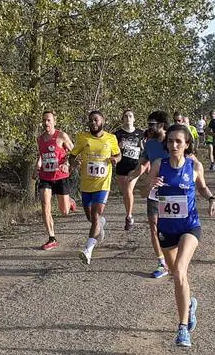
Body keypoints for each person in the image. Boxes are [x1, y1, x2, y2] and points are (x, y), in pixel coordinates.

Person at [148, 124, 215, 347]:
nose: (174, 145)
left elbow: (202, 188)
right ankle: (189, 305)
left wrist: (212, 199)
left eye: (178, 141)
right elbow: (145, 192)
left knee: (180, 270)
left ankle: (182, 329)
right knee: (175, 275)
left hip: (190, 226)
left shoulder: (194, 165)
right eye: (170, 141)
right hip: (166, 229)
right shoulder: (159, 165)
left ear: (187, 144)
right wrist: (151, 185)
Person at [70, 110, 121, 265]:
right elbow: (72, 155)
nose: (93, 123)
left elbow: (119, 154)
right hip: (86, 184)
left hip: (102, 184)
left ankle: (88, 250)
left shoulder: (111, 138)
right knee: (91, 218)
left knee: (96, 215)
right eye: (91, 120)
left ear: (102, 121)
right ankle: (100, 225)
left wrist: (115, 159)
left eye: (96, 120)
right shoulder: (82, 137)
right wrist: (74, 163)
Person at [35, 110, 75, 250]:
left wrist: (67, 164)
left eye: (49, 120)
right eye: (44, 120)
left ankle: (69, 201)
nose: (46, 123)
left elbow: (74, 153)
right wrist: (37, 167)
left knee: (64, 211)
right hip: (46, 177)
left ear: (54, 122)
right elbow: (42, 156)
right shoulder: (40, 139)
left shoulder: (61, 136)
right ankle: (52, 238)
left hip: (61, 177)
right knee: (45, 205)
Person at [140, 111, 171, 279]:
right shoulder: (149, 144)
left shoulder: (172, 142)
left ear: (161, 125)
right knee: (154, 226)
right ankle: (162, 263)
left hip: (173, 192)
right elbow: (142, 164)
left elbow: (188, 160)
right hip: (154, 190)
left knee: (172, 228)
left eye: (152, 124)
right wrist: (133, 175)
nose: (149, 127)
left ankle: (174, 258)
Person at [114, 109, 143, 231]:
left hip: (134, 166)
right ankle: (128, 213)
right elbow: (113, 151)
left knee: (129, 189)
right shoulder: (117, 134)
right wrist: (117, 148)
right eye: (125, 116)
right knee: (125, 193)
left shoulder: (140, 133)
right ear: (122, 119)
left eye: (130, 116)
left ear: (134, 119)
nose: (128, 118)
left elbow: (144, 148)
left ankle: (129, 216)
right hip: (121, 166)